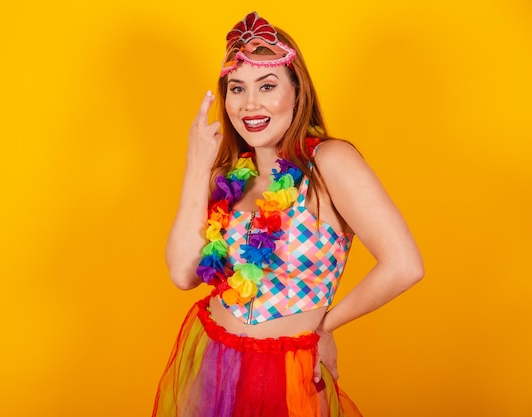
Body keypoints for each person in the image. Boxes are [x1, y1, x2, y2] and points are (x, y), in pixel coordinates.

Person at [152, 11, 423, 417]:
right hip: (214, 360)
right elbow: (182, 274)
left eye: (267, 85)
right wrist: (196, 166)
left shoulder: (330, 163)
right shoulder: (229, 177)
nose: (250, 104)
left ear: (298, 91)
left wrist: (326, 327)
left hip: (289, 373)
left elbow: (405, 266)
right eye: (237, 88)